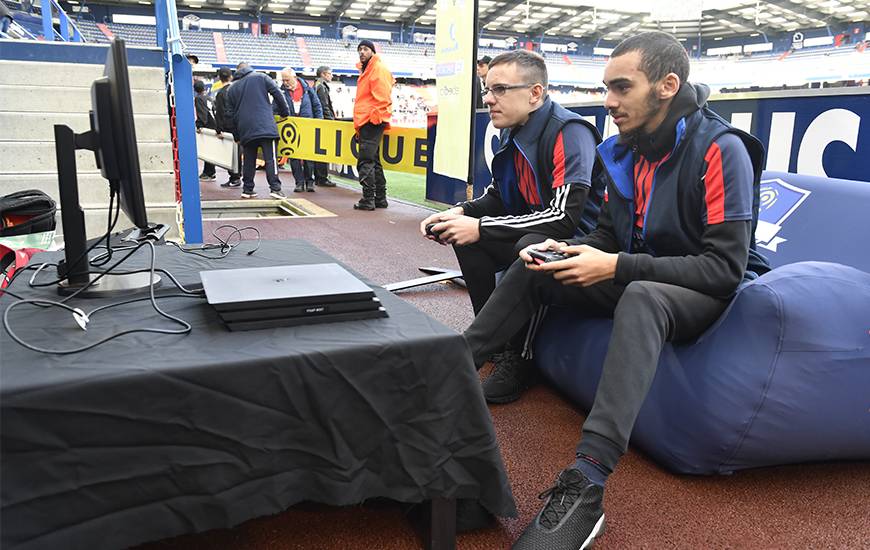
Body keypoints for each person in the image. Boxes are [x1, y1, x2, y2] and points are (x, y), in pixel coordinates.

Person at [462, 32, 769, 549]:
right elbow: (605, 234)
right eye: (606, 88)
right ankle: (447, 371)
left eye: (622, 88)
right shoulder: (624, 148)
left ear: (668, 85)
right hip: (640, 272)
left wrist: (616, 266)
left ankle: (586, 482)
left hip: (700, 288)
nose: (608, 101)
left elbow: (723, 269)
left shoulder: (722, 149)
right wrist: (570, 253)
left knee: (642, 296)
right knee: (537, 258)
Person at [419, 49, 606, 402]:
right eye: (487, 89)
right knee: (466, 236)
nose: (488, 98)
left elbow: (565, 218)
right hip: (539, 229)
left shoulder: (570, 132)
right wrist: (459, 213)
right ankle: (498, 342)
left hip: (578, 241)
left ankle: (522, 359)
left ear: (535, 93)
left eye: (500, 89)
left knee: (527, 247)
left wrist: (482, 227)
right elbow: (497, 197)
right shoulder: (511, 130)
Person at [224, 62, 290, 199]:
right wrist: (285, 112)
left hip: (245, 129)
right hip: (265, 125)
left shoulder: (231, 89)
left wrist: (237, 135)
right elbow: (277, 93)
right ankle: (275, 189)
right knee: (271, 159)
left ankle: (247, 189)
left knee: (249, 160)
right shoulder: (261, 77)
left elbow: (229, 115)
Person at [352, 39, 394, 211]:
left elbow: (383, 96)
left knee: (365, 160)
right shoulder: (369, 69)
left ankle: (368, 199)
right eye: (360, 49)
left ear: (372, 52)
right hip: (369, 119)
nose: (362, 52)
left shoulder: (377, 69)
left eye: (365, 49)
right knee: (373, 161)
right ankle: (380, 198)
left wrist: (374, 118)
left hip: (371, 120)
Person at [277, 69, 323, 193]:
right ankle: (299, 182)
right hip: (290, 130)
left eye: (287, 79)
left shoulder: (307, 89)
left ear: (294, 77)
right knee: (294, 157)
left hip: (308, 127)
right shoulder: (280, 91)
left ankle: (309, 181)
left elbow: (317, 106)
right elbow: (274, 109)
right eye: (283, 80)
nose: (285, 82)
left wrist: (319, 123)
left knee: (308, 155)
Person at [212, 67, 242, 188]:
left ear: (219, 78)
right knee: (239, 152)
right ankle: (238, 176)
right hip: (241, 125)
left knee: (231, 154)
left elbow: (219, 113)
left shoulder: (221, 93)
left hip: (229, 127)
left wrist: (218, 130)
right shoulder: (238, 90)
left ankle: (235, 177)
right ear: (231, 76)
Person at [313, 65, 336, 187]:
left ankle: (320, 177)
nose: (331, 76)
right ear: (323, 74)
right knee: (324, 150)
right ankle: (322, 177)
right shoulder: (321, 87)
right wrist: (331, 120)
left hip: (320, 121)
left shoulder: (318, 85)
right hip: (324, 122)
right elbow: (324, 106)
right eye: (330, 73)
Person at [193, 80, 217, 181]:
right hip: (214, 124)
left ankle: (209, 172)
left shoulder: (198, 98)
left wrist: (198, 125)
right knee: (211, 150)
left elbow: (202, 114)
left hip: (207, 125)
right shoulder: (209, 97)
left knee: (207, 150)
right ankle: (209, 172)